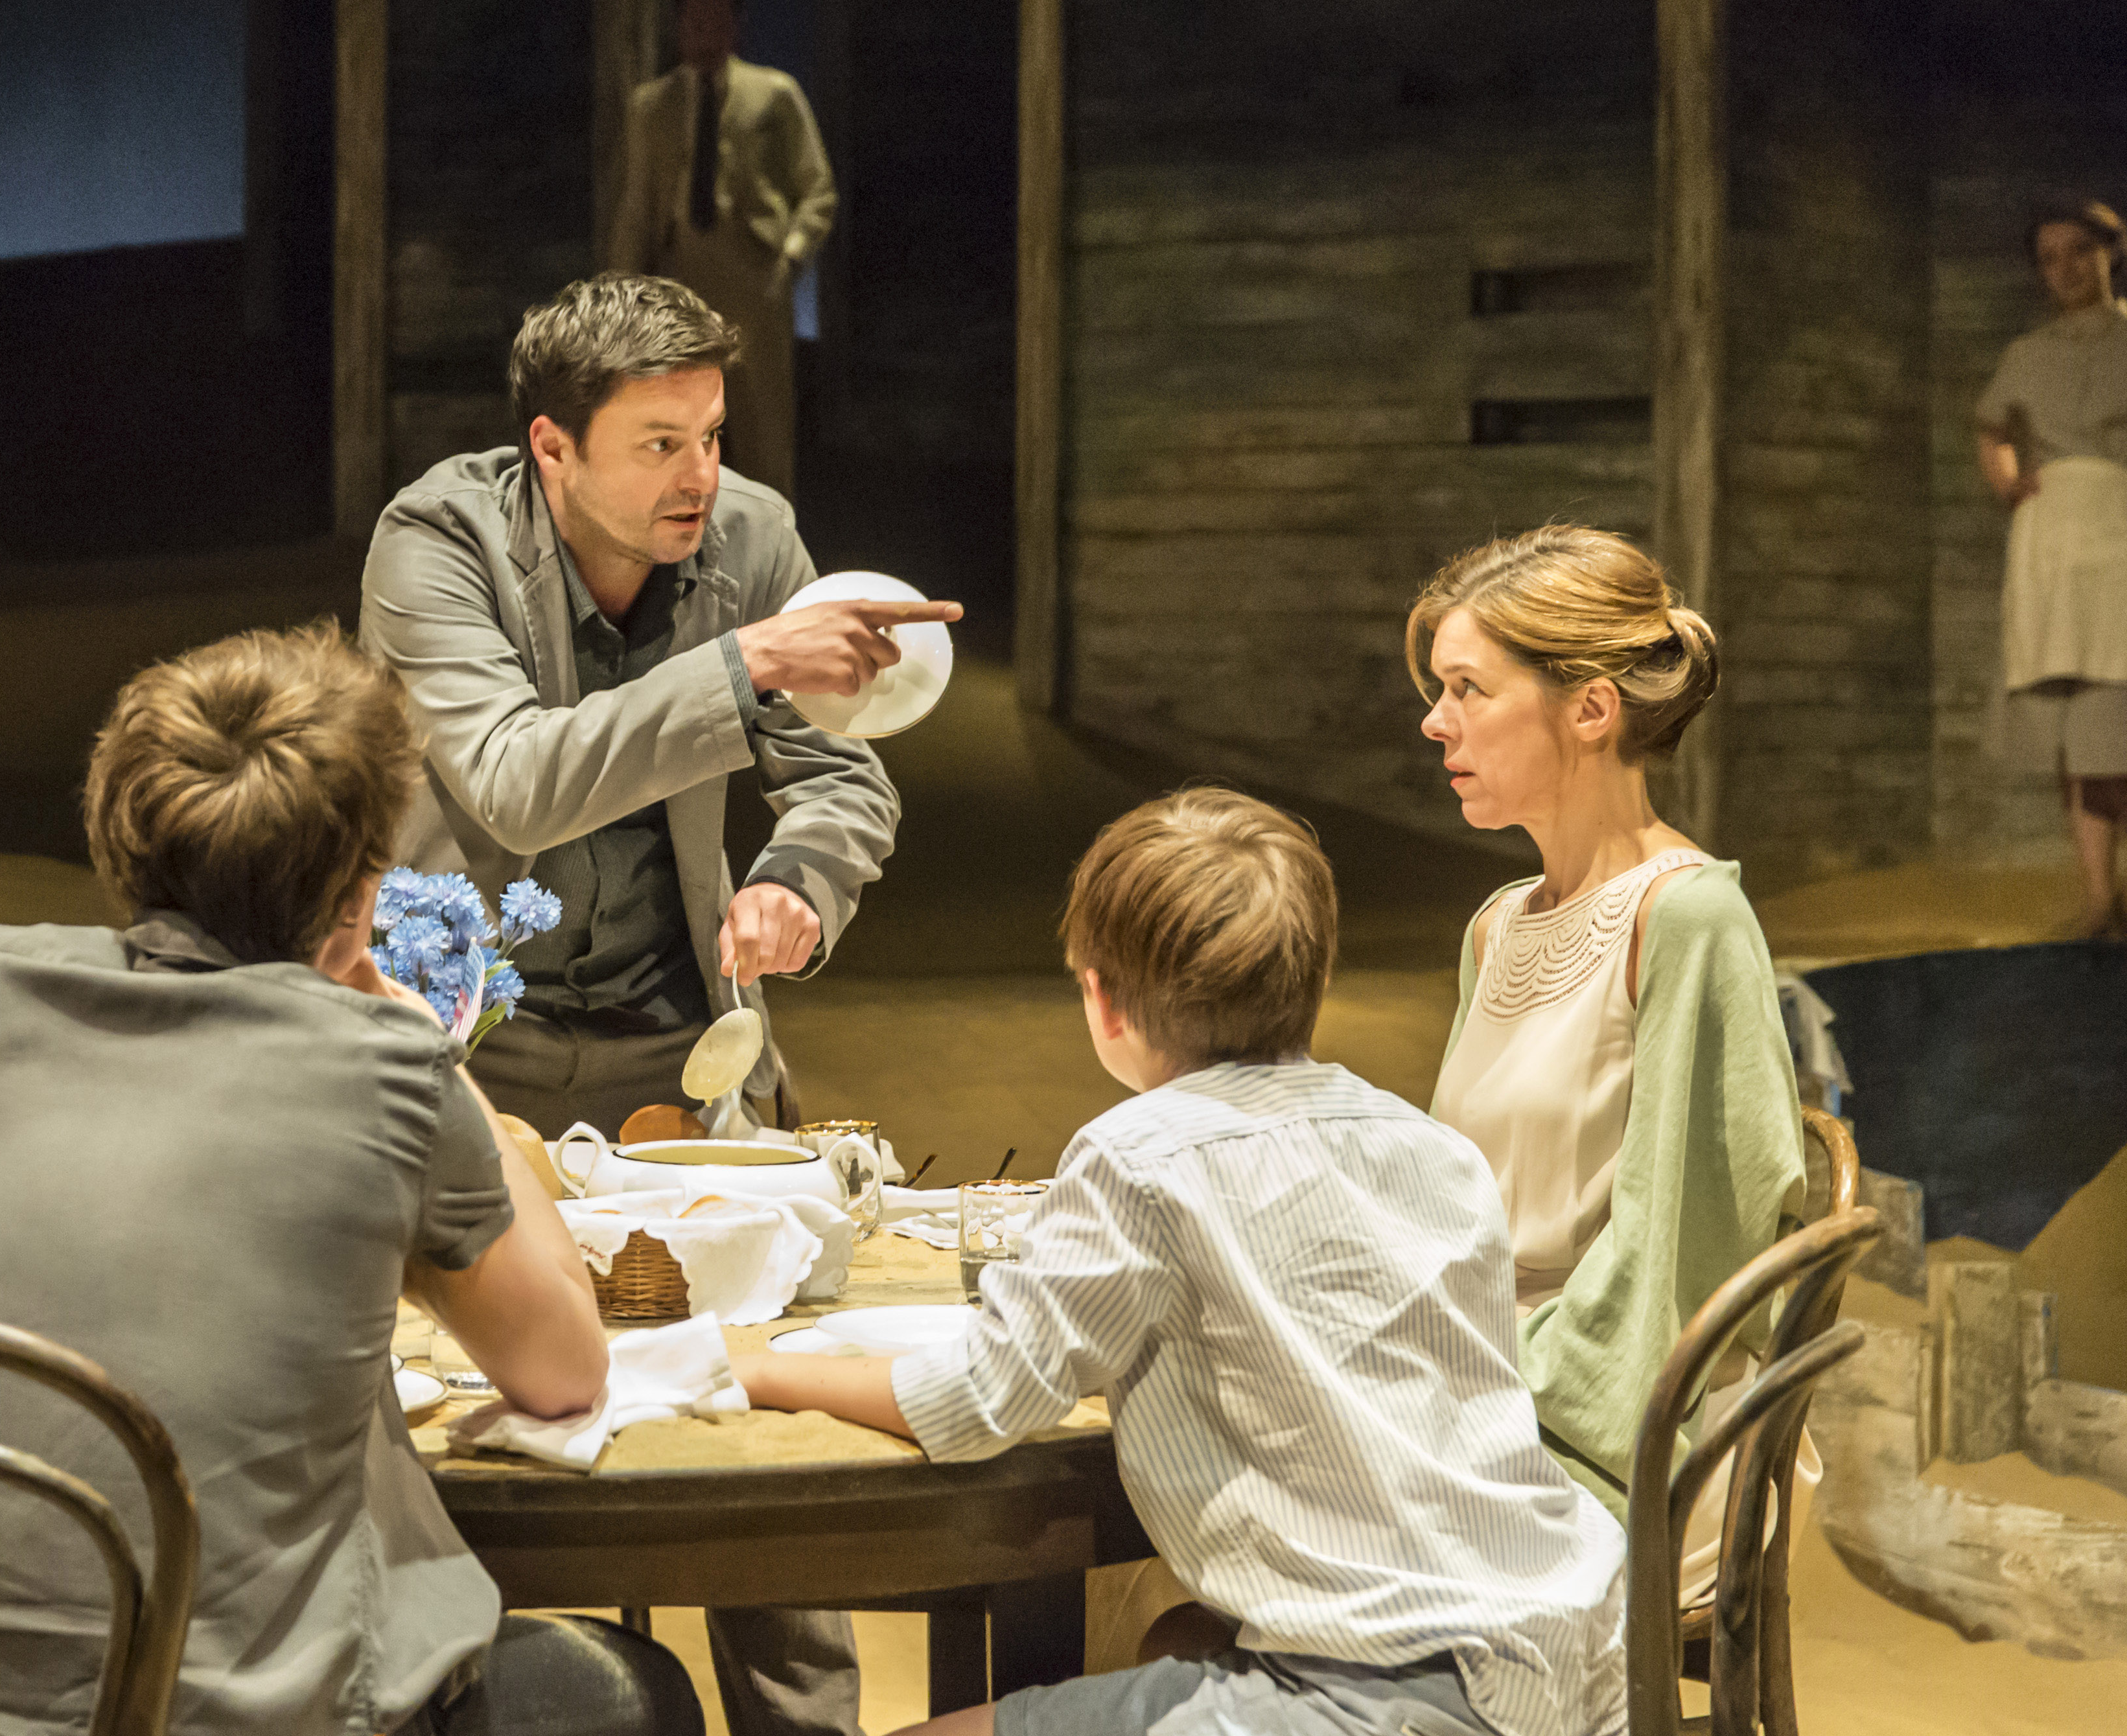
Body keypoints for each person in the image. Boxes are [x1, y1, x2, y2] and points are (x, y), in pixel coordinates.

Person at [0, 623, 697, 1736]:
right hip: (211, 1713)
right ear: (360, 890)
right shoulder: (377, 1063)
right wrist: (437, 1058)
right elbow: (563, 1370)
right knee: (629, 1692)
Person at [364, 272, 947, 1736]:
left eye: (710, 434)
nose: (701, 476)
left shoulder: (747, 534)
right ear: (551, 449)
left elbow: (838, 768)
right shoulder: (436, 538)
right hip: (465, 1049)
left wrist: (799, 886)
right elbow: (509, 773)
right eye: (657, 444)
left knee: (764, 1407)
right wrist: (744, 661)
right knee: (454, 1404)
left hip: (669, 1040)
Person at [734, 789, 1629, 1736]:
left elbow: (981, 1399)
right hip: (1572, 1647)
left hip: (1389, 1693)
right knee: (1177, 1639)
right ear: (1314, 977)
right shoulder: (1430, 1147)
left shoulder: (1139, 1157)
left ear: (1101, 999)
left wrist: (767, 1369)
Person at [1411, 528, 1805, 1591]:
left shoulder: (1689, 917)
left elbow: (1684, 1252)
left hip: (1632, 1433)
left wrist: (1481, 1386)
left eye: (1466, 687)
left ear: (1589, 708)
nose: (1434, 719)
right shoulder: (1497, 925)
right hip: (1490, 1381)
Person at [606, 0, 837, 494]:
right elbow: (638, 205)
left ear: (736, 25)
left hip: (755, 278)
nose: (702, 27)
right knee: (676, 423)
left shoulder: (774, 94)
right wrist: (620, 292)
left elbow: (817, 187)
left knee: (763, 431)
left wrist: (790, 259)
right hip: (681, 278)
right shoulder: (653, 106)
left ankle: (775, 552)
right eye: (692, 15)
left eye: (715, 15)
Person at [1975, 195, 2127, 935]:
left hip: (2122, 530)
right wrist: (2009, 483)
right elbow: (1991, 429)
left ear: (2111, 250)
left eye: (2079, 251)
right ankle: (2100, 894)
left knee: (2117, 717)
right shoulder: (2028, 354)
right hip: (2055, 546)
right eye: (2050, 258)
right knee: (2076, 724)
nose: (2065, 269)